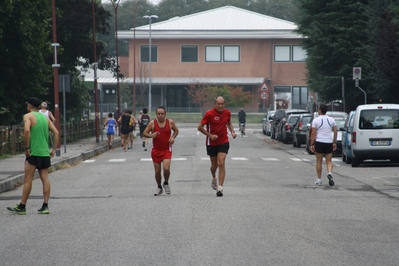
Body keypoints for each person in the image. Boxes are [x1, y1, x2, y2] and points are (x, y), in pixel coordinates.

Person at [7, 97, 60, 215]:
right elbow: (56, 132)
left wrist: (27, 148)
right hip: (45, 153)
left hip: (33, 153)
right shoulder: (45, 118)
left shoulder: (28, 116)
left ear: (30, 106)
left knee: (28, 179)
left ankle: (22, 206)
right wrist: (54, 149)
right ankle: (45, 206)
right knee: (45, 178)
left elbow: (26, 131)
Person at [198, 96, 237, 197]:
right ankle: (214, 177)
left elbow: (228, 123)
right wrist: (210, 136)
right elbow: (199, 127)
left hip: (223, 141)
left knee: (221, 163)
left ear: (224, 104)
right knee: (214, 166)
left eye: (222, 104)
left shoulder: (227, 113)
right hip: (211, 143)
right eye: (218, 104)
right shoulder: (209, 114)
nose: (220, 106)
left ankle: (220, 187)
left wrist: (232, 131)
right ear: (215, 104)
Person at [143, 106, 179, 196]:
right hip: (156, 150)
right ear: (156, 114)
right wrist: (151, 136)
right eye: (158, 114)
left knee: (166, 168)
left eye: (162, 114)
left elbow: (176, 131)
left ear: (165, 114)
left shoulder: (170, 122)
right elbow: (144, 133)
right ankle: (159, 187)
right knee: (157, 171)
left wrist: (172, 138)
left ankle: (166, 183)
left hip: (167, 149)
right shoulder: (152, 123)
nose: (160, 115)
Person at [309, 104, 337, 186]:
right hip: (328, 142)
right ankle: (329, 173)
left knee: (319, 161)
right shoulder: (331, 120)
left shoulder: (316, 120)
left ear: (320, 110)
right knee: (329, 161)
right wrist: (334, 142)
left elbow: (313, 133)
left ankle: (319, 180)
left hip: (319, 142)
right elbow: (335, 132)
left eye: (318, 109)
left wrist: (312, 144)